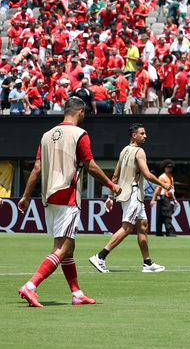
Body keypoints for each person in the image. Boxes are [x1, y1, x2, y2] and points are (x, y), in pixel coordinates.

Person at [16, 96, 122, 307]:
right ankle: (31, 286)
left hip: (49, 196)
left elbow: (37, 168)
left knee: (68, 246)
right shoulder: (80, 134)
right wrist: (111, 185)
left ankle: (77, 293)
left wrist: (26, 196)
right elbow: (91, 166)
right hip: (68, 195)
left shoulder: (46, 135)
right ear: (81, 112)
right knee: (63, 247)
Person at [89, 123, 172, 274]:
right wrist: (163, 184)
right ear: (134, 135)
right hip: (134, 194)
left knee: (143, 225)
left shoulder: (124, 151)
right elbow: (147, 174)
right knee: (127, 228)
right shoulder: (139, 151)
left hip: (127, 193)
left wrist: (110, 196)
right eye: (142, 133)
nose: (145, 136)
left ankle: (147, 263)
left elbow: (115, 176)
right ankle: (100, 257)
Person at [151, 160, 177, 236]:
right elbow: (157, 188)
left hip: (167, 197)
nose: (170, 168)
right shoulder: (162, 177)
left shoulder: (170, 177)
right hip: (163, 197)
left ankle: (158, 232)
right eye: (168, 167)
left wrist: (174, 199)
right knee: (167, 214)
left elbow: (171, 190)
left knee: (162, 216)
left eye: (171, 167)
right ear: (164, 168)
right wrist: (153, 200)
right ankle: (169, 232)